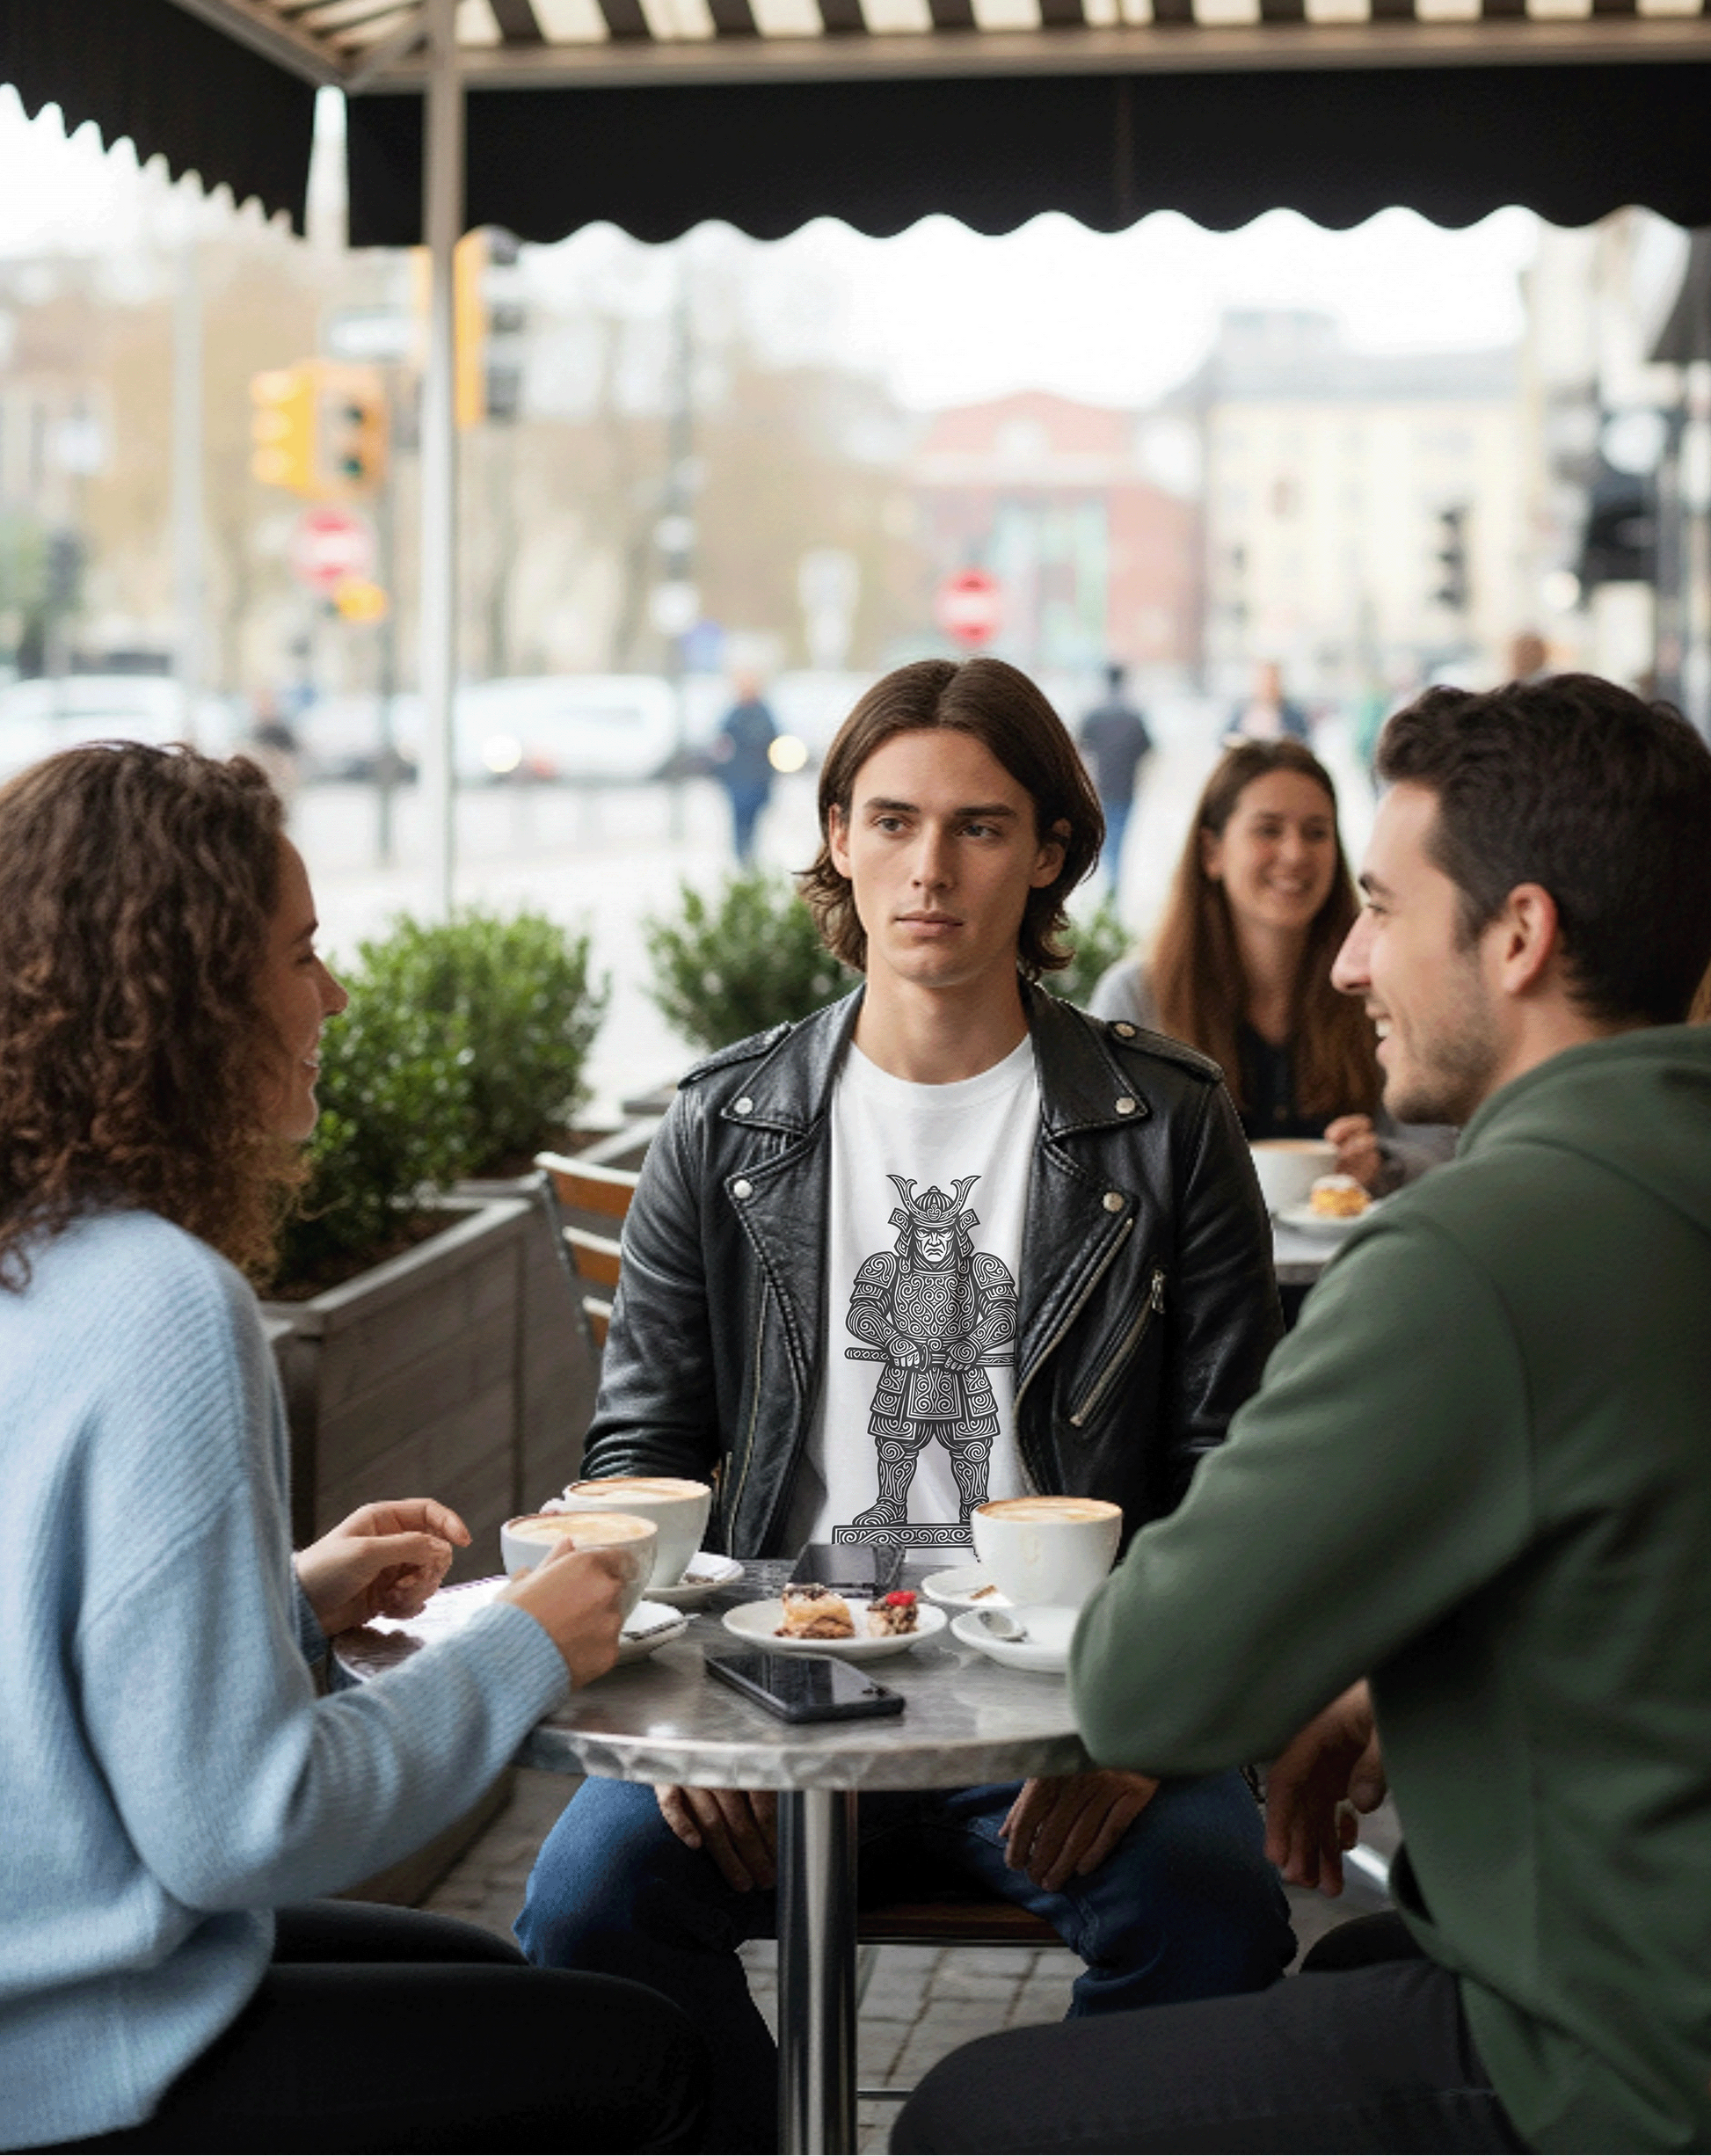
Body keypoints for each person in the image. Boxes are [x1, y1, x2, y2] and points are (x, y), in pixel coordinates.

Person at [895, 674, 1711, 2156]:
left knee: (971, 2114)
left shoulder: (1475, 1254)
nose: (1349, 958)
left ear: (1519, 935)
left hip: (1628, 2061)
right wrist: (1384, 1685)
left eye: (1385, 905)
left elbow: (1148, 1683)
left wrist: (1314, 1656)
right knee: (1348, 1963)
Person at [518, 657, 1296, 2156]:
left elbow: (1233, 1470)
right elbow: (640, 1454)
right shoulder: (726, 1120)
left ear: (1052, 849)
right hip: (775, 1672)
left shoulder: (1166, 1119)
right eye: (891, 820)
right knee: (583, 1907)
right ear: (837, 837)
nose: (929, 867)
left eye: (981, 827)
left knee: (1215, 1911)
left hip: (1076, 1690)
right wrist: (684, 1730)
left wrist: (1152, 1712)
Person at [0, 742, 707, 2156]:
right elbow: (241, 1828)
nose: (334, 994)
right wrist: (520, 1646)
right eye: (302, 951)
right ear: (188, 996)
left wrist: (286, 1598)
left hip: (45, 1987)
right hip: (72, 2057)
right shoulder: (164, 1299)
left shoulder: (37, 1250)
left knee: (500, 1985)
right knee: (652, 2065)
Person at [1089, 738, 1450, 1193]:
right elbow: (1102, 1162)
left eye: (1317, 832)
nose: (1296, 854)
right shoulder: (1135, 997)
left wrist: (1384, 1164)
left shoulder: (1376, 987)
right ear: (1211, 852)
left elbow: (1446, 1151)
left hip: (1347, 1261)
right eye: (1268, 830)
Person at [1078, 664, 1153, 895]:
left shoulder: (1094, 715)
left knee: (1106, 840)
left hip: (1100, 788)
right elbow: (1148, 749)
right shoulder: (1133, 716)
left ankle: (1109, 890)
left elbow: (1080, 747)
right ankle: (1113, 888)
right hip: (1126, 787)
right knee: (1117, 841)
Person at [714, 673, 779, 864]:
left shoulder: (765, 713)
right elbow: (720, 744)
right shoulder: (732, 714)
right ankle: (742, 857)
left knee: (753, 820)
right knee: (739, 822)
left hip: (759, 777)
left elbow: (775, 741)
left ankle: (748, 855)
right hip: (737, 778)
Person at [1224, 658, 1310, 744]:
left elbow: (1303, 743)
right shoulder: (1240, 712)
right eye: (1263, 679)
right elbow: (1225, 739)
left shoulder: (1294, 716)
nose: (1267, 685)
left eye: (1272, 679)